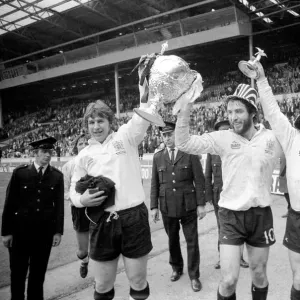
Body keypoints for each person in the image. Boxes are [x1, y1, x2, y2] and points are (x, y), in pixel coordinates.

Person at [175, 83, 283, 300]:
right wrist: (185, 107)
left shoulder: (272, 138)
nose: (233, 117)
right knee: (228, 280)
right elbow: (184, 142)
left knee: (259, 275)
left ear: (253, 112)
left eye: (239, 111)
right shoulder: (223, 138)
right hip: (230, 215)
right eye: (230, 112)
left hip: (261, 215)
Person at [69, 99, 152, 300]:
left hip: (133, 218)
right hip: (102, 222)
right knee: (103, 285)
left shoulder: (125, 136)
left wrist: (146, 92)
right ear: (86, 126)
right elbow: (73, 190)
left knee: (138, 281)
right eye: (91, 122)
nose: (96, 126)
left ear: (109, 122)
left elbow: (143, 115)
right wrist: (82, 200)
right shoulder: (84, 155)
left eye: (100, 121)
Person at [254, 59, 300, 300]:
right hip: (298, 217)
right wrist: (261, 79)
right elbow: (272, 111)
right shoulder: (292, 138)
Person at [1, 136, 64, 300]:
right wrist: (6, 232)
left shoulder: (57, 176)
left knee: (38, 275)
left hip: (44, 235)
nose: (48, 155)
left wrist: (58, 232)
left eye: (50, 151)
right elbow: (9, 204)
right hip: (20, 233)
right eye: (44, 151)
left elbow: (59, 207)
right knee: (18, 275)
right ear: (35, 153)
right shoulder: (20, 173)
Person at [150, 121, 206, 292]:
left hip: (188, 205)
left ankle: (194, 275)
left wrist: (201, 204)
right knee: (172, 240)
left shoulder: (189, 153)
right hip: (167, 206)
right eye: (164, 135)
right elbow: (155, 183)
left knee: (192, 241)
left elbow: (199, 179)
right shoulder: (158, 156)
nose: (167, 138)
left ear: (176, 134)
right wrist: (154, 207)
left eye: (170, 134)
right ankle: (176, 267)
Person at [205, 119, 249, 270]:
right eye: (221, 132)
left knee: (239, 224)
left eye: (226, 130)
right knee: (221, 226)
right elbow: (207, 175)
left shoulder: (239, 148)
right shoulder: (213, 152)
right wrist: (208, 196)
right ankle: (222, 257)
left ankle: (240, 257)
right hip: (219, 194)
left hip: (236, 192)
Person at [62, 134, 89, 278]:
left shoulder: (99, 163)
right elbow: (65, 191)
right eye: (80, 143)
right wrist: (78, 199)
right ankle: (84, 261)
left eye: (86, 143)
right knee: (82, 252)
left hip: (98, 210)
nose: (84, 146)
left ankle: (102, 281)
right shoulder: (68, 166)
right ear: (76, 147)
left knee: (102, 248)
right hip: (79, 210)